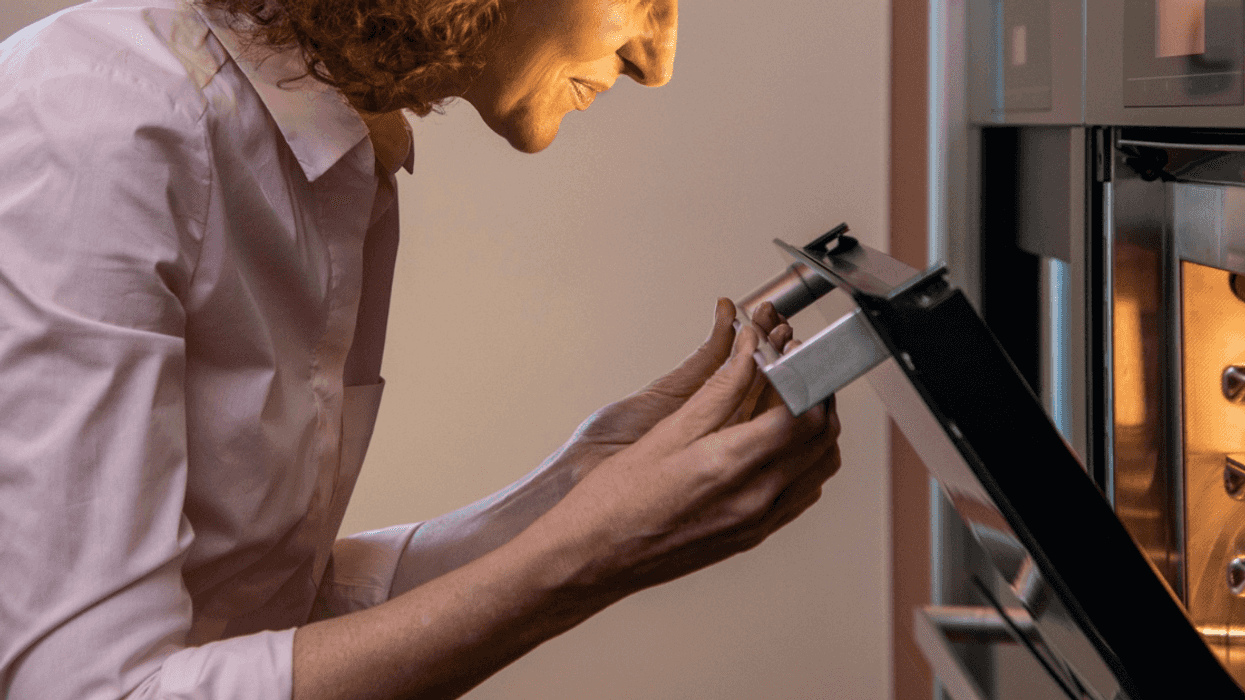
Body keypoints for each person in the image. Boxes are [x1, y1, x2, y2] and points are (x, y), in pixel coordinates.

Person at [0, 0, 842, 698]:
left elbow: (255, 612)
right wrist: (585, 556)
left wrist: (582, 487)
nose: (654, 59)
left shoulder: (340, 151)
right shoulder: (99, 127)